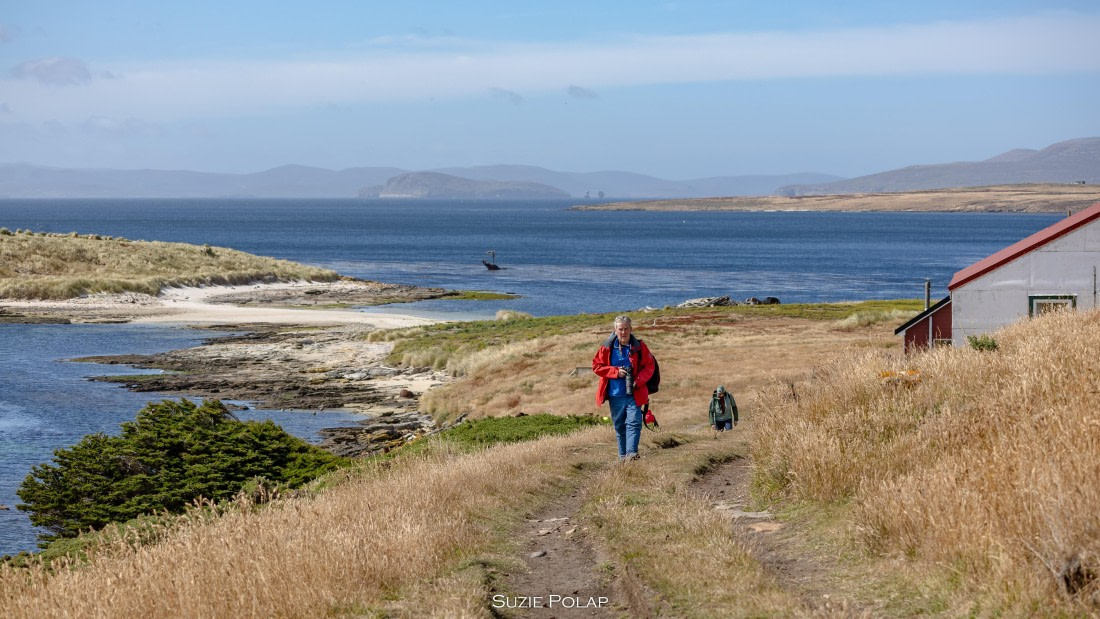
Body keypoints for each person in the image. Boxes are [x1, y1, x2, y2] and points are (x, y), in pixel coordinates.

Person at [592, 315, 656, 462]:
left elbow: (649, 366)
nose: (623, 332)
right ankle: (623, 458)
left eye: (626, 329)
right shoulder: (606, 347)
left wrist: (638, 380)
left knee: (634, 422)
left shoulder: (640, 346)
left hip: (635, 392)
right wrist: (615, 372)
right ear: (615, 330)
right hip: (615, 395)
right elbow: (596, 366)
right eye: (620, 329)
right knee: (620, 427)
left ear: (631, 329)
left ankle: (631, 454)